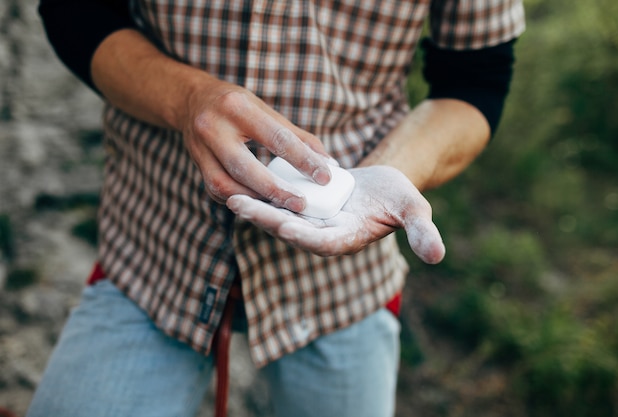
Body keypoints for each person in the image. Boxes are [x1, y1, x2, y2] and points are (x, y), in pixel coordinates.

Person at [28, 1, 525, 416]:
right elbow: (78, 15)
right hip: (155, 249)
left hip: (343, 288)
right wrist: (188, 99)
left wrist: (393, 170)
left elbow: (474, 80)